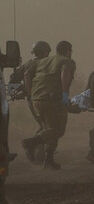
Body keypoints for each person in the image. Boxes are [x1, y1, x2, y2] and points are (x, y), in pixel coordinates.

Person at [23, 40, 75, 169]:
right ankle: (32, 142)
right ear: (68, 51)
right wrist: (64, 94)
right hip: (52, 100)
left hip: (36, 100)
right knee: (58, 130)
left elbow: (26, 74)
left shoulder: (43, 61)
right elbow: (65, 73)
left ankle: (48, 161)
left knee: (50, 129)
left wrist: (30, 94)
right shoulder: (66, 61)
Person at [14, 41, 51, 162]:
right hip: (44, 99)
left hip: (32, 100)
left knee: (45, 125)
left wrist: (23, 91)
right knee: (49, 126)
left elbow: (13, 80)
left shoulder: (27, 64)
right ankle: (34, 148)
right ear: (45, 52)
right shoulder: (47, 64)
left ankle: (37, 151)